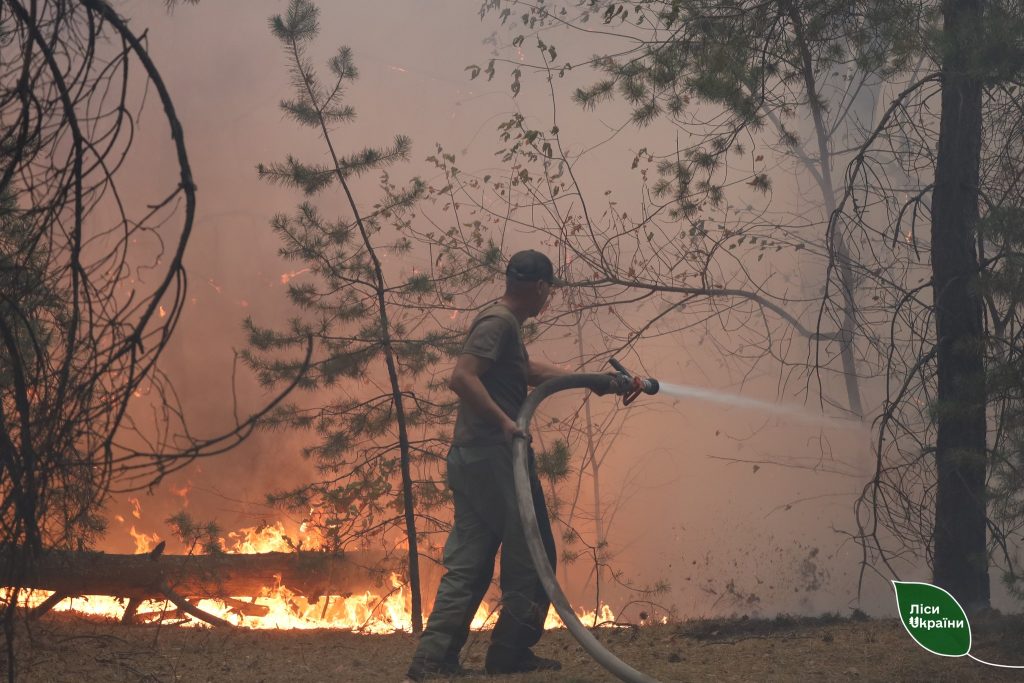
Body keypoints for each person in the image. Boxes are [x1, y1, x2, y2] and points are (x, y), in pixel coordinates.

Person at [405, 250, 569, 681]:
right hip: (495, 459)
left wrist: (581, 377)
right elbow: (462, 376)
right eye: (549, 289)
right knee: (533, 555)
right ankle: (509, 654)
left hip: (473, 458)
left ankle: (432, 659)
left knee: (471, 561)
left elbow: (524, 369)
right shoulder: (499, 323)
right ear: (540, 288)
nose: (548, 296)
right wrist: (504, 422)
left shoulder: (504, 325)